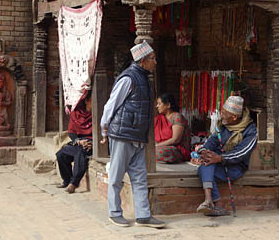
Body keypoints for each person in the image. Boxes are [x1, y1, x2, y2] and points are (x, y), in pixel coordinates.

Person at [100, 41, 165, 228]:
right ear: (143, 60)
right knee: (116, 176)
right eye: (153, 59)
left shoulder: (143, 78)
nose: (155, 62)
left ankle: (143, 216)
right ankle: (114, 213)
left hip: (137, 137)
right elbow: (111, 105)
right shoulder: (128, 78)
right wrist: (104, 129)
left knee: (139, 177)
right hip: (122, 135)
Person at [195, 96, 257, 216]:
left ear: (234, 117)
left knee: (206, 167)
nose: (221, 115)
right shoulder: (223, 126)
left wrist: (220, 158)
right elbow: (211, 142)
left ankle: (215, 204)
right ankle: (210, 201)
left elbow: (242, 152)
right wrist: (203, 151)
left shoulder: (250, 131)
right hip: (217, 163)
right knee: (205, 165)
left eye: (224, 113)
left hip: (235, 167)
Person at [56, 91, 93, 194]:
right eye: (91, 100)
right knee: (61, 154)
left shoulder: (98, 113)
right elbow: (72, 132)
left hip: (92, 143)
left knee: (81, 153)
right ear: (86, 101)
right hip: (78, 142)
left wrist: (92, 143)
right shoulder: (76, 113)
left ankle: (74, 183)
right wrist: (79, 141)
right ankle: (67, 180)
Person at [155, 93, 191, 163]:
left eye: (159, 104)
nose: (157, 106)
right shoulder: (159, 118)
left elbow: (176, 139)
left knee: (159, 152)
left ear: (168, 105)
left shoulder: (177, 117)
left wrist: (157, 145)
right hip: (161, 146)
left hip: (177, 148)